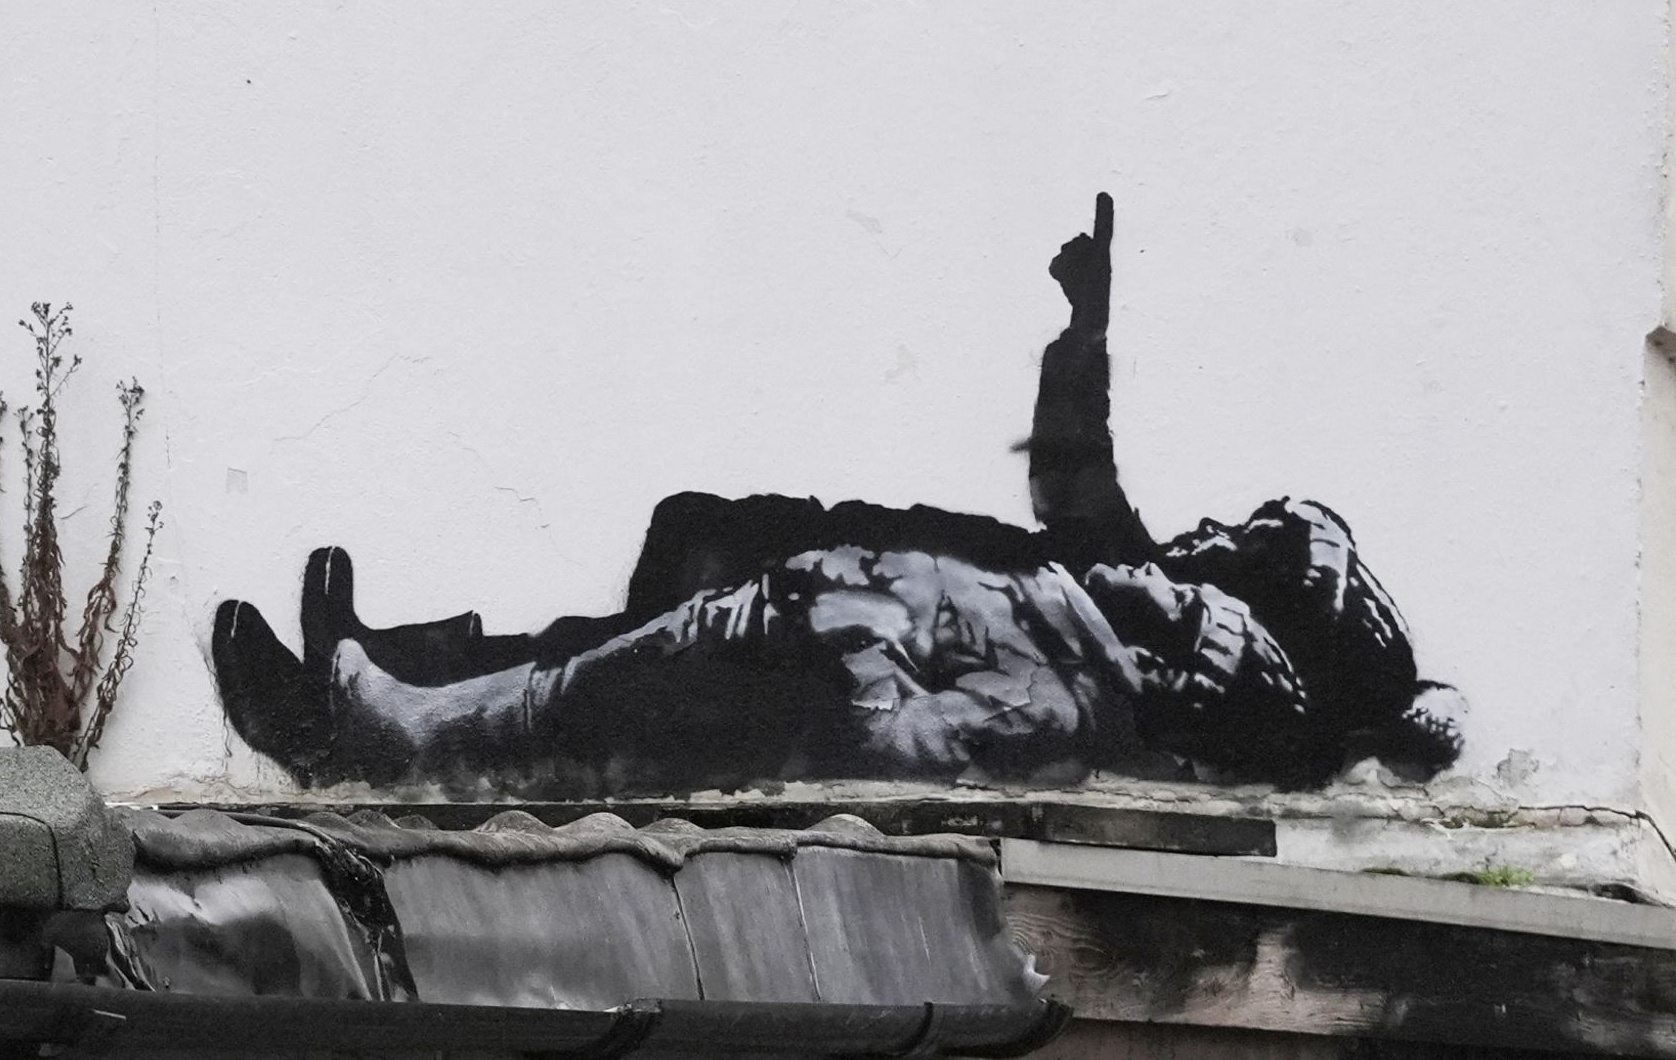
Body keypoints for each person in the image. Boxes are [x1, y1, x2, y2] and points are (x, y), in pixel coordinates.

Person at [212, 195, 1463, 796]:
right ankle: (402, 674)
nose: (1222, 532)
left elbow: (1095, 639)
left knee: (704, 631)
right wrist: (1082, 334)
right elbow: (1077, 491)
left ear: (1283, 600)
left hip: (925, 644)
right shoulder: (1181, 590)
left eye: (1249, 541)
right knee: (698, 540)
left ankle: (378, 727)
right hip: (929, 611)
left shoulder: (1235, 656)